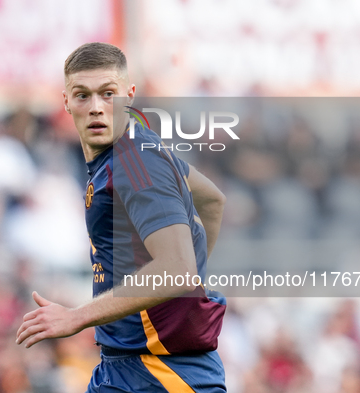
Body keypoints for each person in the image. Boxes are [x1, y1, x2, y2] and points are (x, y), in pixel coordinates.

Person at [16, 42, 228, 392]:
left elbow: (178, 269)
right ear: (66, 101)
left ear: (128, 95)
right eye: (83, 95)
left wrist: (76, 316)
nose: (97, 107)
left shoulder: (135, 162)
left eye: (108, 94)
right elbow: (213, 201)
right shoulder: (133, 147)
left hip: (163, 374)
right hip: (124, 367)